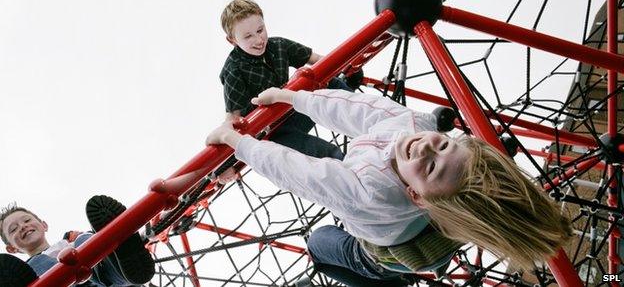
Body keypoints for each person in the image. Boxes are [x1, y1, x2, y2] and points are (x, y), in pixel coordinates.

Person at [206, 87, 574, 287]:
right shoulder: (414, 125)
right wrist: (294, 98)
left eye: (429, 167)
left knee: (319, 242)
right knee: (353, 157)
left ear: (416, 195)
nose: (426, 147)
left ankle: (382, 283)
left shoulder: (368, 193)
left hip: (381, 255)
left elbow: (301, 175)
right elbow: (358, 109)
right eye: (443, 144)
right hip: (423, 230)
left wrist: (237, 142)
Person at [218, 0, 348, 182]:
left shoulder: (278, 45)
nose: (258, 39)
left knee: (331, 82)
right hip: (275, 133)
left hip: (293, 111)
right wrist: (225, 165)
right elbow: (232, 120)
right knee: (330, 155)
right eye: (248, 36)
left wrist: (347, 68)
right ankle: (353, 200)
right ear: (232, 40)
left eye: (260, 30)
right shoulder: (234, 70)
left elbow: (320, 61)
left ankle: (370, 131)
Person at [0, 195, 155, 287]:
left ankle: (124, 259)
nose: (22, 226)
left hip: (105, 279)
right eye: (13, 229)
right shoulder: (28, 268)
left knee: (85, 240)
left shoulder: (71, 240)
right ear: (12, 249)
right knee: (36, 264)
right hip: (58, 280)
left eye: (26, 220)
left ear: (44, 225)